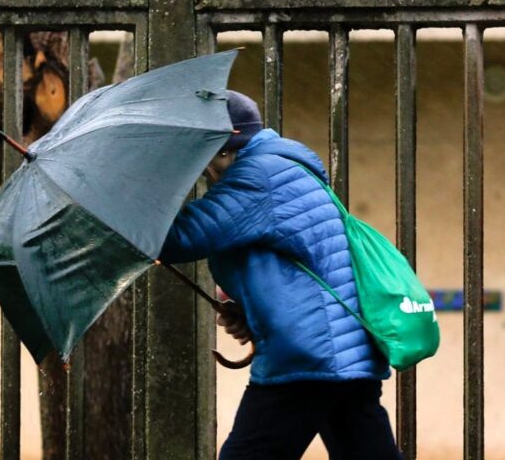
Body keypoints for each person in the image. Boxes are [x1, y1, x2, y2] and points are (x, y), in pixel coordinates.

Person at [158, 90, 402, 460]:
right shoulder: (282, 166)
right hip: (344, 354)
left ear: (226, 147)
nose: (204, 169)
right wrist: (251, 312)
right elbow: (293, 264)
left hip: (308, 359)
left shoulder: (258, 176)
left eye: (205, 156)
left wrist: (139, 195)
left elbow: (178, 238)